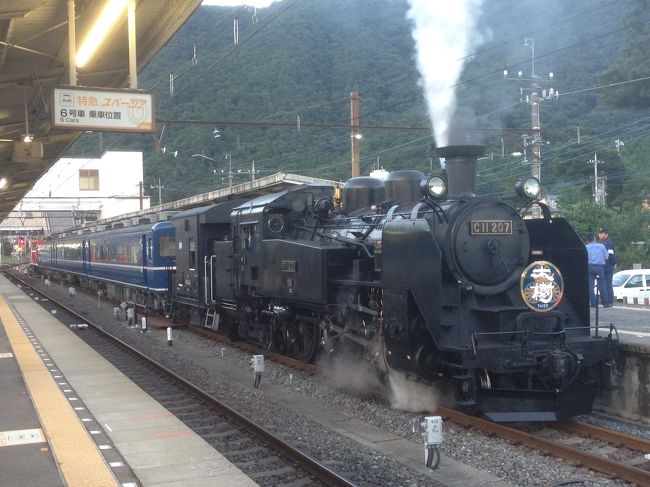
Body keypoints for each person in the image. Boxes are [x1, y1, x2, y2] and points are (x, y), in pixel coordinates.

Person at [585, 232, 609, 307]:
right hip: (599, 267)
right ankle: (606, 303)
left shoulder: (586, 247)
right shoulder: (601, 246)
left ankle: (593, 303)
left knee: (590, 286)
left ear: (587, 240)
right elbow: (607, 257)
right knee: (602, 285)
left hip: (589, 267)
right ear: (594, 238)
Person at [598, 227, 616, 307]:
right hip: (604, 266)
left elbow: (611, 255)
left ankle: (609, 300)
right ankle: (606, 300)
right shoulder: (602, 243)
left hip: (607, 266)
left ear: (606, 234)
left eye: (602, 233)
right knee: (604, 284)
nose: (600, 234)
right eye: (600, 233)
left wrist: (613, 263)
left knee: (607, 284)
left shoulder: (608, 244)